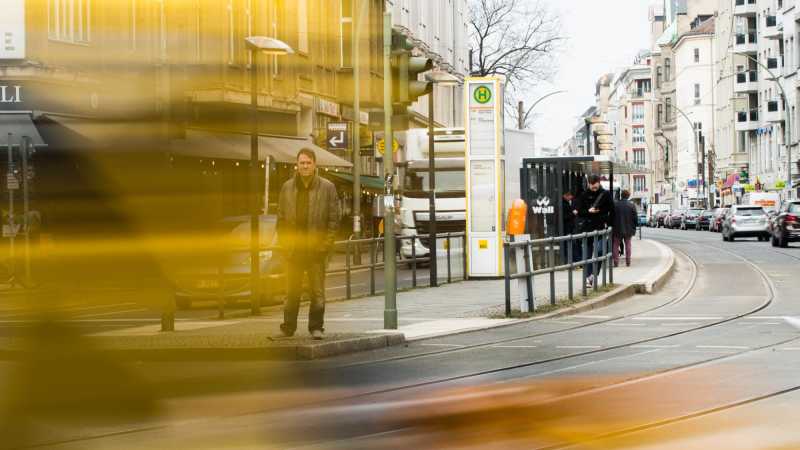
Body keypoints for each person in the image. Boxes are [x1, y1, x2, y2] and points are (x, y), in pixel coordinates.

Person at [276, 148, 341, 340]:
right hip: (293, 250)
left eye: (308, 162)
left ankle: (316, 327)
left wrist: (324, 247)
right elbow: (280, 219)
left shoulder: (327, 187)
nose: (304, 166)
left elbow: (333, 221)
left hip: (316, 250)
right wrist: (284, 244)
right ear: (297, 165)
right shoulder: (287, 187)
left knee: (317, 292)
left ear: (314, 165)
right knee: (291, 292)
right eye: (301, 162)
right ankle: (288, 328)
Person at [575, 175, 614, 288]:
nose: (593, 188)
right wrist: (589, 211)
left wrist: (600, 212)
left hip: (601, 228)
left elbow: (611, 209)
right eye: (592, 186)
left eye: (595, 186)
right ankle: (588, 277)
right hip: (587, 228)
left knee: (600, 251)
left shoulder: (605, 194)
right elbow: (579, 212)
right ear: (588, 184)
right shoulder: (583, 195)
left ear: (598, 183)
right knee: (587, 255)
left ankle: (594, 274)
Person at [612, 190, 638, 267]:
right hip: (629, 229)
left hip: (617, 229)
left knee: (615, 245)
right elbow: (635, 218)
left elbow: (611, 217)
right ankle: (628, 261)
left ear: (621, 195)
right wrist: (634, 226)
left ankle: (616, 262)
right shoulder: (632, 205)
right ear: (628, 196)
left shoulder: (616, 205)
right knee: (628, 244)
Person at [561, 191, 578, 262]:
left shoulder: (565, 203)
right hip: (567, 228)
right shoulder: (564, 204)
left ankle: (569, 260)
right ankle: (569, 260)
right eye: (570, 196)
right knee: (569, 244)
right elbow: (565, 217)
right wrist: (573, 213)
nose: (571, 198)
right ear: (566, 196)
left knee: (569, 244)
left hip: (568, 227)